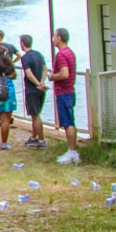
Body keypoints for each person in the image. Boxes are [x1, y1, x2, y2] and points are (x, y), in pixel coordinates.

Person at [49, 27, 79, 164]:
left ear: (59, 38)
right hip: (70, 91)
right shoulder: (70, 53)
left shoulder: (61, 55)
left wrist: (52, 76)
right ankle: (72, 151)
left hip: (64, 92)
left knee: (68, 122)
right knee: (69, 121)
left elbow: (64, 73)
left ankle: (72, 151)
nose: (53, 39)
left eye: (54, 36)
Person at [19, 34, 48, 149]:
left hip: (32, 90)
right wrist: (42, 82)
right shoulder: (39, 54)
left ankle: (41, 140)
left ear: (22, 44)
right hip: (40, 89)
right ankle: (33, 137)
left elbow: (29, 74)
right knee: (34, 114)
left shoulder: (25, 58)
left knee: (35, 115)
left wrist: (37, 84)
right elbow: (45, 69)